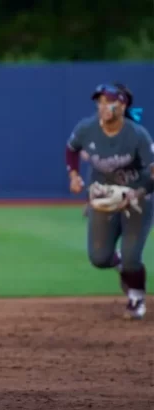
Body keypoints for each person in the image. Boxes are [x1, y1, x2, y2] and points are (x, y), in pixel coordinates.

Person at [66, 82, 154, 320]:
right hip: (103, 196)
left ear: (123, 105)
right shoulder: (87, 129)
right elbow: (71, 149)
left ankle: (136, 296)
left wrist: (135, 194)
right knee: (99, 257)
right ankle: (120, 266)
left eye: (110, 101)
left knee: (131, 256)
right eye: (100, 101)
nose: (104, 106)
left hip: (138, 198)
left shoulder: (137, 135)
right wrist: (74, 176)